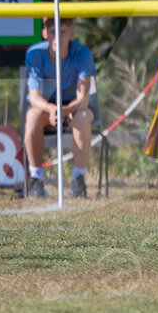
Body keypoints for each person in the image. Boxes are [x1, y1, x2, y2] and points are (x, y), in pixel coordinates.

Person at [23, 17, 97, 199]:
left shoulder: (82, 53)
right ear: (45, 34)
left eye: (63, 31)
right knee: (32, 117)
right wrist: (52, 109)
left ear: (72, 33)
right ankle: (36, 179)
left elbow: (83, 98)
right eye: (53, 31)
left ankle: (79, 179)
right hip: (46, 108)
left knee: (82, 117)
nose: (58, 37)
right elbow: (34, 98)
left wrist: (65, 111)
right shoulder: (34, 54)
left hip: (74, 107)